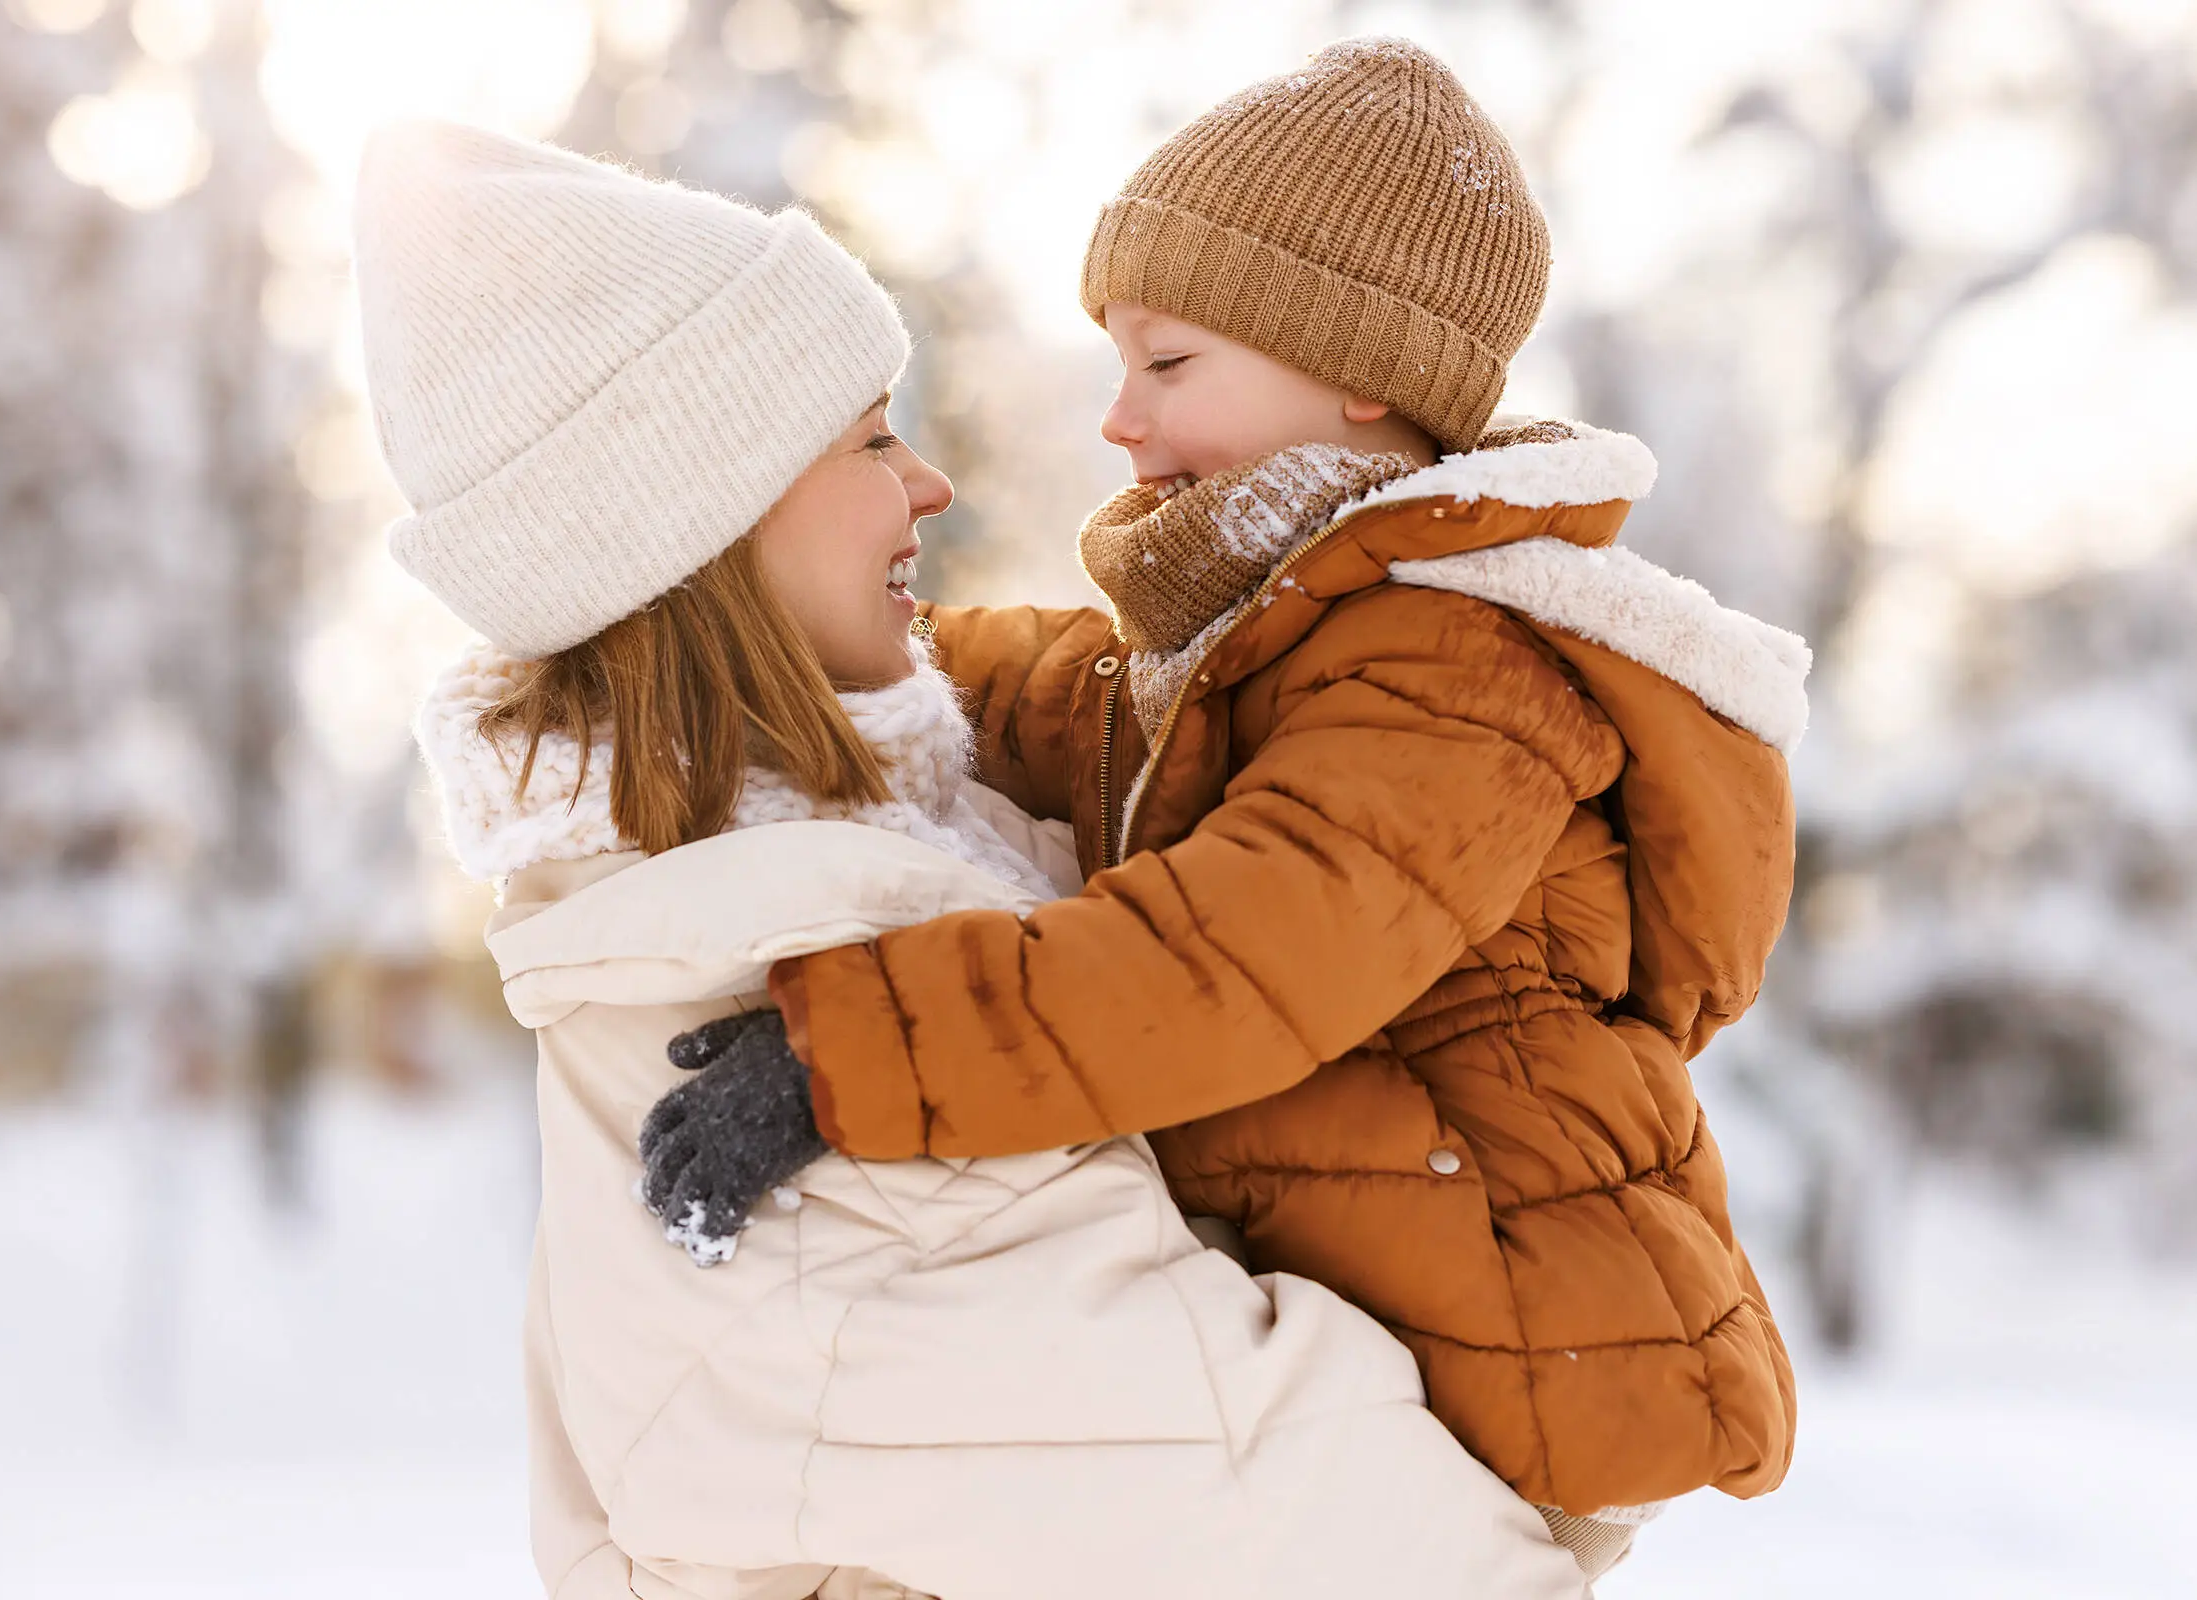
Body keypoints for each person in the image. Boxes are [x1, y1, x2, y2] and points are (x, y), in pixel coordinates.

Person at [356, 120, 1589, 1600]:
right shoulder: (801, 971)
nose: (931, 482)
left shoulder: (813, 883)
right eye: (872, 438)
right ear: (709, 517)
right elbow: (1375, 1545)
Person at [638, 37, 1808, 1581]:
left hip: (1510, 1364)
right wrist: (791, 644)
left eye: (1168, 364)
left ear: (1358, 370)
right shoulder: (1260, 645)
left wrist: (851, 1048)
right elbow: (1048, 694)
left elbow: (1237, 956)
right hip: (1382, 1327)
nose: (1118, 419)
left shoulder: (1457, 671)